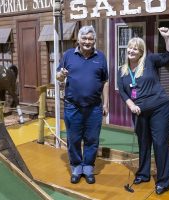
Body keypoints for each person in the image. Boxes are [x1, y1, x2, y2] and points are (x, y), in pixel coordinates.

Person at [117, 27, 169, 195]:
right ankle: (143, 174)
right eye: (130, 47)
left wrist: (168, 37)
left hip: (159, 108)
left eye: (135, 48)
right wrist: (130, 105)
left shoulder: (149, 61)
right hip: (139, 112)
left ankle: (164, 181)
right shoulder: (123, 70)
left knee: (160, 143)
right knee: (143, 143)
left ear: (141, 52)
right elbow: (122, 91)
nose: (131, 50)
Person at [56, 25, 109, 184]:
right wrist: (61, 75)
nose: (87, 41)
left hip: (94, 108)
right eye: (84, 38)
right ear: (78, 40)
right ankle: (76, 167)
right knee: (74, 139)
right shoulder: (68, 55)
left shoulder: (100, 56)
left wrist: (106, 104)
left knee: (92, 139)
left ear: (94, 40)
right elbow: (58, 76)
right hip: (73, 107)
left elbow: (105, 81)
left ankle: (88, 168)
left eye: (90, 38)